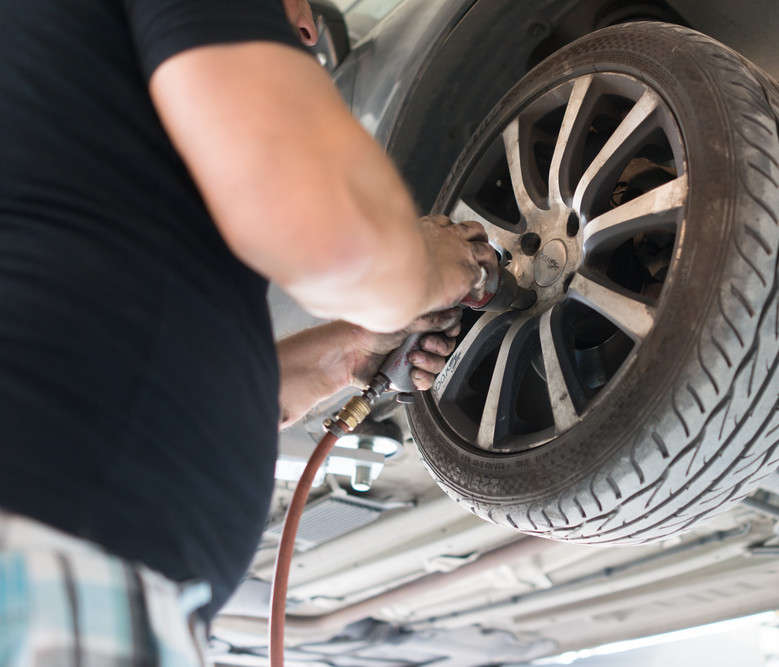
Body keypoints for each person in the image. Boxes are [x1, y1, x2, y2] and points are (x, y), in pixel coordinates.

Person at [0, 0, 496, 663]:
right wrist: (424, 263)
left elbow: (128, 367)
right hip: (54, 570)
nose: (309, 30)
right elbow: (330, 233)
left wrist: (343, 355)